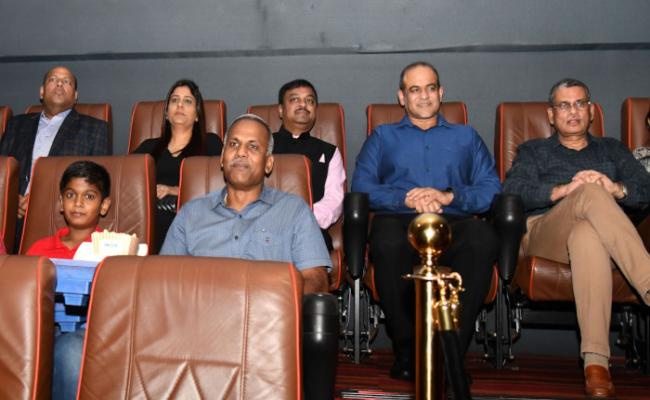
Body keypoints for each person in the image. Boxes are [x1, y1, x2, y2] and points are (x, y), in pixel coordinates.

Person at [351, 62, 500, 381]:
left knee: (483, 238)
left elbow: (490, 189)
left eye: (430, 88)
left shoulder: (466, 136)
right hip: (400, 220)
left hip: (453, 220)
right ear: (401, 97)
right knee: (386, 241)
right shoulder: (383, 136)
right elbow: (362, 186)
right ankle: (408, 352)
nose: (423, 96)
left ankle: (451, 355)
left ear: (441, 92)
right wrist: (405, 198)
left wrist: (448, 196)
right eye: (414, 90)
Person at [503, 78, 650, 399]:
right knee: (590, 191)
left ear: (591, 111)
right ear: (551, 115)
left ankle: (596, 364)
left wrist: (616, 188)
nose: (573, 111)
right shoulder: (533, 150)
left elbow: (645, 189)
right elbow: (513, 192)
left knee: (587, 235)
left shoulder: (613, 149)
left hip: (603, 239)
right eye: (564, 105)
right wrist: (567, 190)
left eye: (580, 104)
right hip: (546, 235)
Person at [161, 113, 331, 293]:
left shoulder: (294, 211)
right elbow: (164, 280)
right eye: (234, 144)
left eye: (253, 146)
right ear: (222, 158)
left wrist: (283, 302)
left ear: (268, 163)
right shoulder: (190, 214)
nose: (241, 152)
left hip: (269, 309)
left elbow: (316, 280)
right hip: (203, 308)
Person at [25, 160, 111, 400]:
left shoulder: (113, 248)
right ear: (61, 202)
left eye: (89, 196)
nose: (78, 203)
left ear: (104, 205)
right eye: (71, 195)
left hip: (90, 331)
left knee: (69, 350)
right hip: (41, 327)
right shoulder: (40, 249)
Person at [0, 66, 109, 224]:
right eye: (53, 80)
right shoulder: (16, 125)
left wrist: (42, 199)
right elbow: (2, 169)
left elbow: (97, 182)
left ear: (75, 96)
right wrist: (8, 198)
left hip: (60, 217)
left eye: (67, 82)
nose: (59, 84)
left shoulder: (95, 129)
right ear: (41, 92)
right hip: (10, 214)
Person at [133, 79, 223, 252]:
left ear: (197, 116)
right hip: (150, 215)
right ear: (167, 113)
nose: (180, 105)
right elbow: (127, 184)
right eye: (174, 100)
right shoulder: (148, 147)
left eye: (187, 101)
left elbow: (220, 188)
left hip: (194, 217)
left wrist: (174, 190)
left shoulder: (211, 144)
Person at [272, 79, 345, 250]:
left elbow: (334, 200)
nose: (303, 105)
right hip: (263, 227)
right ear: (281, 110)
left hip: (310, 229)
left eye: (309, 100)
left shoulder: (329, 152)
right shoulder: (260, 146)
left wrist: (301, 218)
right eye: (295, 99)